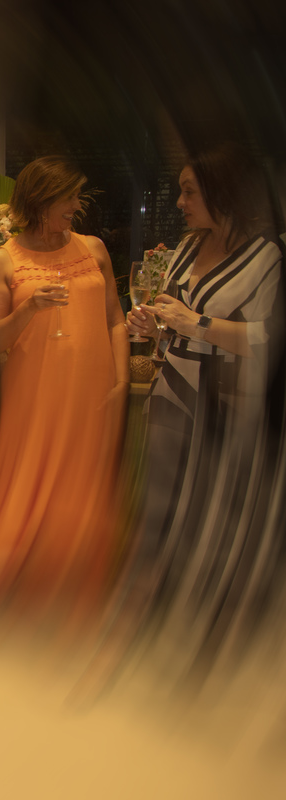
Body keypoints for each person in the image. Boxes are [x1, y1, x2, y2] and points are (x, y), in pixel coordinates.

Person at [0, 156, 128, 644]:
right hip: (35, 393)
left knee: (82, 486)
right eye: (70, 198)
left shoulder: (94, 248)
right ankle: (22, 586)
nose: (77, 206)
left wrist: (122, 378)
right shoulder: (4, 259)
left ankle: (70, 587)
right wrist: (31, 309)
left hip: (91, 390)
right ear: (41, 201)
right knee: (27, 481)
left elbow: (115, 318)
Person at [121, 143, 281, 681]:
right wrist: (154, 325)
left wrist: (197, 325)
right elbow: (173, 319)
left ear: (223, 192)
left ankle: (211, 646)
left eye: (190, 191)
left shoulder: (268, 256)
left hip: (228, 407)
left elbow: (269, 340)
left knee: (215, 521)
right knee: (160, 515)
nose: (180, 201)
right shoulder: (188, 247)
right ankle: (151, 631)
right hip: (172, 392)